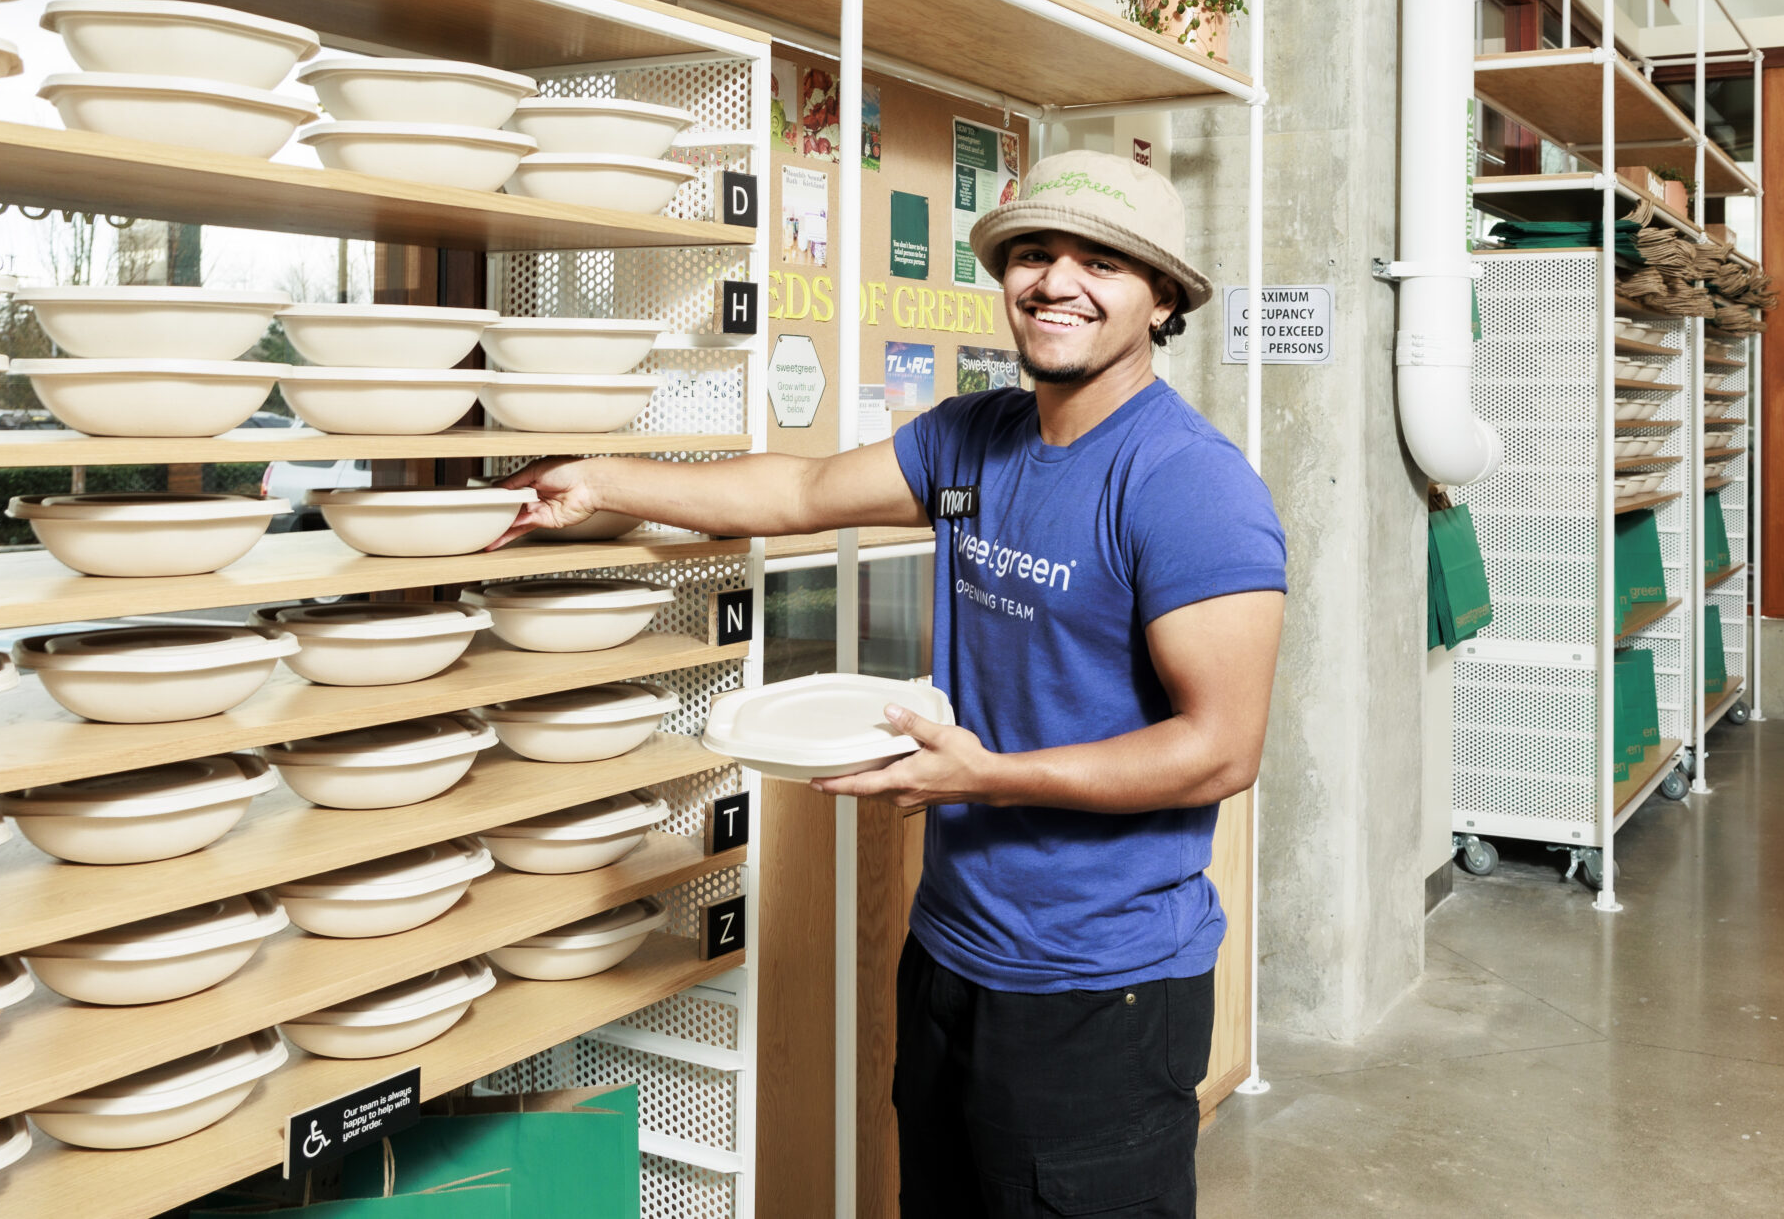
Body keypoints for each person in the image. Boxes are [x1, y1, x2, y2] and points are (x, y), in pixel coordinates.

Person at [491, 149, 1286, 1217]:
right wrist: (596, 478)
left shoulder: (1189, 484)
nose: (1057, 282)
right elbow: (802, 487)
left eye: (1100, 261)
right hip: (951, 951)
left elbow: (1221, 747)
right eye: (1034, 253)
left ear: (1159, 301)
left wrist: (989, 776)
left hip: (1101, 985)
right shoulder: (972, 438)